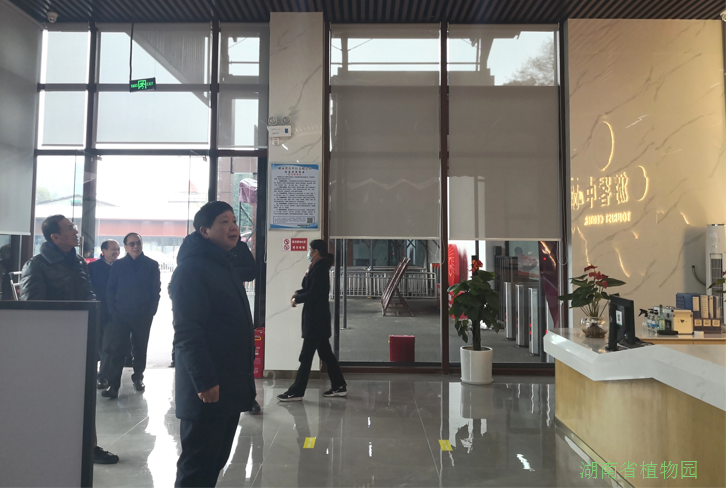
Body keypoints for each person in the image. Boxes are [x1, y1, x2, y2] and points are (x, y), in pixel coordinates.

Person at [19, 215, 119, 465]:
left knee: (85, 396)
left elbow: (88, 293)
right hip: (53, 346)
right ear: (55, 237)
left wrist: (95, 314)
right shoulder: (36, 265)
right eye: (70, 228)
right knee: (53, 399)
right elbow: (32, 311)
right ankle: (49, 448)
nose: (76, 231)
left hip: (82, 339)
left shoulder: (77, 261)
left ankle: (88, 447)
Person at [170, 201, 256, 487]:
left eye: (234, 221)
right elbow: (187, 331)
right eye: (224, 222)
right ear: (204, 231)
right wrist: (205, 381)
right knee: (198, 466)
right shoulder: (192, 269)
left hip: (227, 383)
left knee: (215, 461)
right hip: (208, 387)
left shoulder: (223, 264)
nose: (233, 227)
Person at [277, 239, 347, 402]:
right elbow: (310, 288)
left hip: (316, 320)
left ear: (315, 252)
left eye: (310, 250)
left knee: (306, 356)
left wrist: (298, 299)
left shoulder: (320, 268)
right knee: (326, 355)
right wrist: (298, 292)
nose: (308, 252)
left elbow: (315, 293)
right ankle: (339, 385)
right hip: (317, 319)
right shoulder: (316, 267)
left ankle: (297, 391)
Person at [100, 233, 161, 399]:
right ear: (126, 247)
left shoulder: (151, 265)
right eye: (132, 244)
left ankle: (138, 377)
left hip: (143, 315)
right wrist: (113, 311)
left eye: (138, 243)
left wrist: (151, 311)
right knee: (117, 350)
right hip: (120, 315)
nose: (136, 246)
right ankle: (113, 385)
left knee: (140, 348)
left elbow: (155, 290)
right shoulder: (118, 265)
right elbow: (110, 289)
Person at [88, 240, 121, 390]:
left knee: (108, 346)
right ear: (103, 250)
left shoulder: (121, 267)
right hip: (96, 311)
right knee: (96, 345)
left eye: (118, 249)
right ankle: (93, 374)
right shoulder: (92, 267)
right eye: (113, 249)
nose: (116, 252)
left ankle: (103, 377)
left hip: (113, 313)